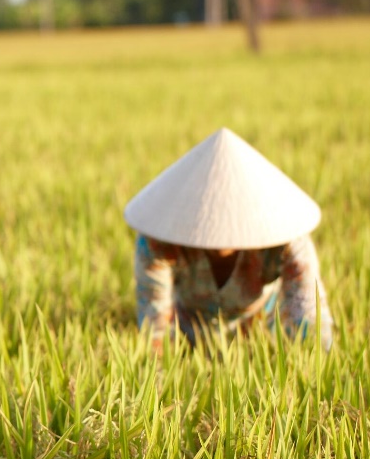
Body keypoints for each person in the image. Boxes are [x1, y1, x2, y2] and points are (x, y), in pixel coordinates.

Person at [124, 127, 333, 350]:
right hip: (189, 343)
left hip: (264, 342)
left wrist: (313, 369)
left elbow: (308, 313)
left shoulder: (288, 242)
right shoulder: (158, 243)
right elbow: (156, 326)